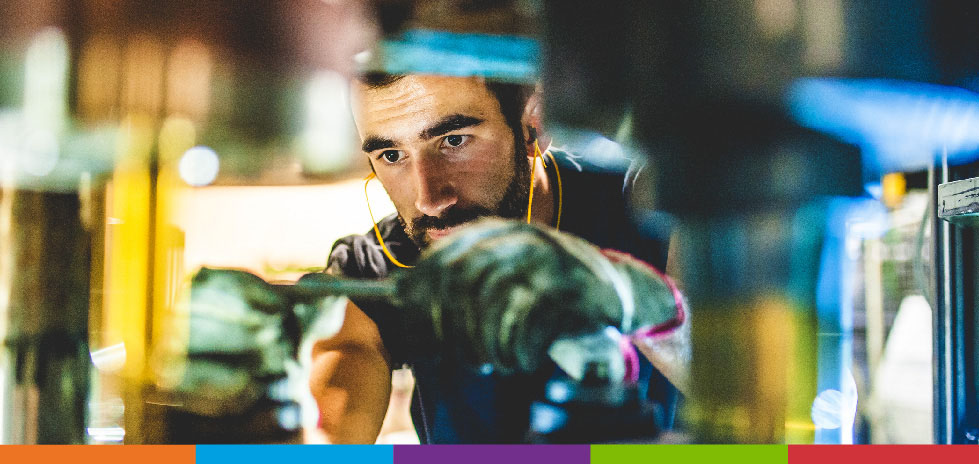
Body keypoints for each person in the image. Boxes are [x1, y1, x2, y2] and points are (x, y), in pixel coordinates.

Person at [311, 72, 688, 444]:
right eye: (392, 155)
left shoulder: (653, 210)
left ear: (532, 126)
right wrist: (270, 385)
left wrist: (645, 306)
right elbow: (324, 438)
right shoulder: (377, 269)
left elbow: (739, 382)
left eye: (453, 140)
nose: (427, 198)